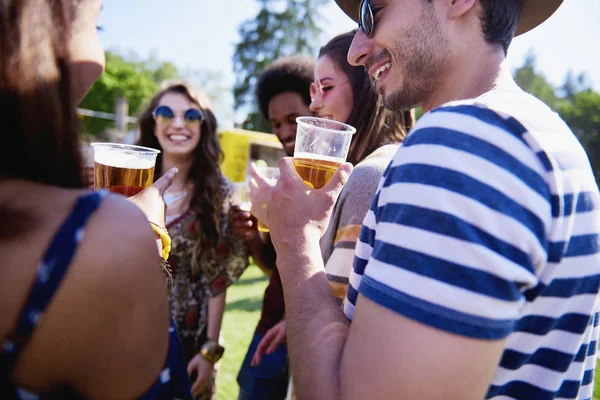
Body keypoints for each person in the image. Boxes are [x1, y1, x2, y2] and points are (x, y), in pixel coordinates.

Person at [267, 0, 600, 399]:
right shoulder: (542, 136)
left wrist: (294, 240)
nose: (356, 50)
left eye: (373, 11)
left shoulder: (461, 143)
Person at [0, 1, 192, 399]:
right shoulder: (102, 240)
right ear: (42, 28)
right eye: (96, 26)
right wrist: (146, 235)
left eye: (192, 116)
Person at [250, 31, 414, 369]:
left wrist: (288, 228)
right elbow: (344, 300)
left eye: (326, 87)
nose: (313, 103)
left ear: (367, 88)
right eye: (313, 89)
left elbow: (334, 332)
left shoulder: (368, 177)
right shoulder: (392, 163)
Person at [137, 81, 249, 400]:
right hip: (123, 331)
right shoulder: (126, 181)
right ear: (152, 124)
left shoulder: (219, 193)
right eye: (165, 113)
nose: (177, 123)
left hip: (187, 345)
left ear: (204, 126)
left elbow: (217, 282)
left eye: (190, 115)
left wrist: (210, 352)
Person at [233, 55, 316, 400]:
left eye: (292, 120)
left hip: (310, 332)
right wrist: (254, 235)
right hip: (269, 328)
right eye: (275, 123)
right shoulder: (281, 177)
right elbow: (274, 268)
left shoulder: (330, 176)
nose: (283, 132)